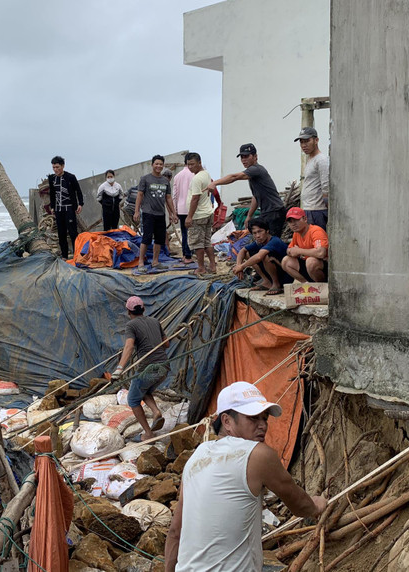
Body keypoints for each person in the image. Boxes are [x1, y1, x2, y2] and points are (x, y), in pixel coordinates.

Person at [165, 382, 326, 571]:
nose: (263, 425)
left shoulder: (197, 455)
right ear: (227, 421)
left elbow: (175, 531)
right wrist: (317, 505)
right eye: (253, 418)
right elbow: (300, 505)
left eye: (265, 418)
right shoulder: (258, 454)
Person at [111, 296, 168, 441]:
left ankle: (148, 434)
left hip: (149, 368)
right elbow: (166, 344)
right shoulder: (155, 321)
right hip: (164, 367)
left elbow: (129, 346)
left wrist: (119, 369)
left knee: (133, 399)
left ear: (128, 311)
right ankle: (156, 411)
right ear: (143, 309)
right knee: (143, 390)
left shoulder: (131, 325)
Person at [207, 143, 286, 237]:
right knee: (262, 239)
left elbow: (234, 177)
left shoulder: (256, 169)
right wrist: (249, 216)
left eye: (246, 156)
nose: (244, 160)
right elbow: (256, 197)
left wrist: (214, 183)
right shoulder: (252, 175)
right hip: (268, 212)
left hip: (274, 212)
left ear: (255, 156)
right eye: (242, 157)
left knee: (271, 240)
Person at [133, 155, 178, 272]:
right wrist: (137, 211)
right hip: (148, 213)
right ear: (152, 165)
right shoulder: (145, 179)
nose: (159, 166)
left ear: (163, 165)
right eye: (156, 164)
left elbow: (168, 198)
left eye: (161, 164)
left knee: (159, 239)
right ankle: (141, 262)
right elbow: (140, 195)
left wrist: (173, 213)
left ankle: (155, 261)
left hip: (160, 214)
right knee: (146, 238)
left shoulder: (165, 181)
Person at [232, 218, 290, 295]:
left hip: (287, 275)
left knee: (265, 256)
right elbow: (242, 251)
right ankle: (267, 281)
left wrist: (242, 266)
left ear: (267, 231)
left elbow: (259, 257)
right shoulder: (259, 242)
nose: (258, 236)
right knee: (248, 253)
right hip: (275, 273)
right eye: (254, 233)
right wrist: (238, 265)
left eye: (260, 231)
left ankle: (276, 284)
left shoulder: (274, 241)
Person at [183, 152, 217, 276]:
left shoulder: (197, 179)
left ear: (199, 163)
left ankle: (201, 268)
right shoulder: (206, 174)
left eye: (192, 164)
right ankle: (212, 266)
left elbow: (195, 198)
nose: (190, 167)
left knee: (198, 243)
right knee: (207, 241)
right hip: (207, 212)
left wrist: (189, 217)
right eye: (188, 165)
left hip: (198, 215)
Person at [48, 156, 83, 259]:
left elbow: (78, 191)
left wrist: (80, 204)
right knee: (61, 233)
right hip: (58, 209)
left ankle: (77, 254)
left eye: (57, 167)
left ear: (63, 166)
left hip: (69, 208)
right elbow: (52, 194)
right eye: (53, 167)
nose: (55, 169)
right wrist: (52, 207)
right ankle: (64, 255)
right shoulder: (52, 178)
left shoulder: (70, 177)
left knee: (72, 232)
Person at [282, 207, 328, 282]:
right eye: (290, 222)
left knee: (311, 261)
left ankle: (320, 285)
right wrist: (291, 252)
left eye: (297, 220)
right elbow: (289, 250)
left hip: (323, 267)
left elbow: (321, 253)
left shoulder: (316, 231)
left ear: (305, 219)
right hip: (308, 267)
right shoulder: (296, 233)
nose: (293, 224)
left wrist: (299, 251)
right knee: (286, 261)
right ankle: (306, 284)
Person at [295, 127, 329, 231]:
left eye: (307, 141)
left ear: (316, 140)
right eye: (301, 142)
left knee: (318, 238)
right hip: (309, 209)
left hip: (317, 210)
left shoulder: (321, 160)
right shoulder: (310, 159)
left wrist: (327, 208)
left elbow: (326, 186)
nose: (304, 145)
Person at [171, 158, 194, 264]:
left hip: (181, 209)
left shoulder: (177, 176)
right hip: (192, 208)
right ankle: (189, 255)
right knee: (192, 233)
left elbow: (174, 195)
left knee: (184, 233)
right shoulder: (194, 175)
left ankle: (185, 255)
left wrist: (174, 211)